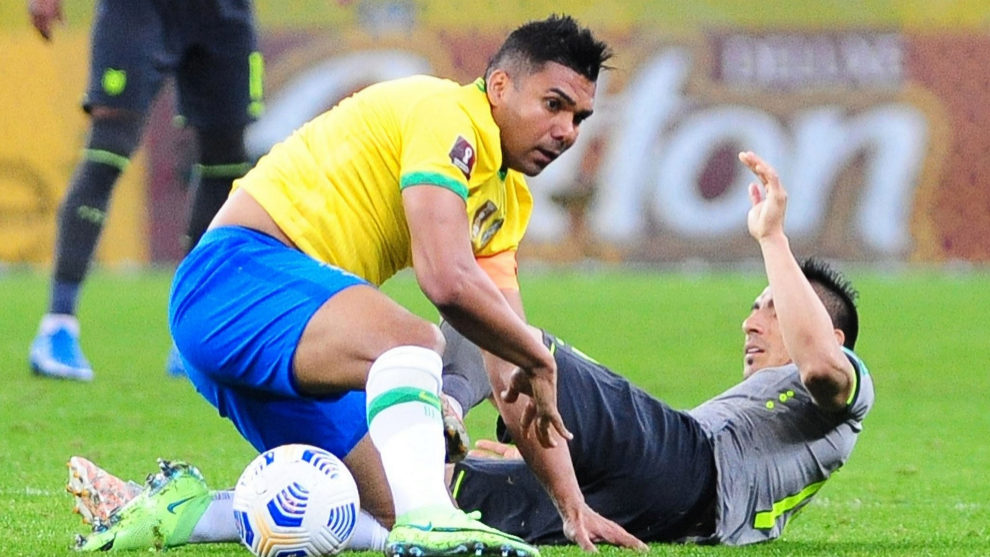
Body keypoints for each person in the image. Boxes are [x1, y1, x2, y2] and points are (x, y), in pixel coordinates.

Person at [63, 151, 873, 550]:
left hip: (687, 471)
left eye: (769, 308)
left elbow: (817, 365)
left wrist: (773, 242)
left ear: (830, 329)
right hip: (653, 502)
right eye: (757, 307)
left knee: (514, 341)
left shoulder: (845, 392)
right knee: (409, 501)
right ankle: (185, 514)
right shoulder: (769, 418)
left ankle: (439, 397)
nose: (751, 321)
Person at [69, 14, 638, 556]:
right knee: (414, 344)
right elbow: (443, 280)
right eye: (554, 105)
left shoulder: (505, 202)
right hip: (231, 280)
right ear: (499, 85)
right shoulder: (447, 115)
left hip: (292, 333)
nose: (565, 132)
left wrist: (572, 505)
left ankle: (185, 511)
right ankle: (430, 520)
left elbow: (507, 365)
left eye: (579, 118)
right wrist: (538, 356)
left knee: (395, 500)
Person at [27, 0, 262, 381]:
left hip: (225, 13)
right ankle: (57, 326)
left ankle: (191, 336)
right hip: (137, 10)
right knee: (109, 149)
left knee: (227, 163)